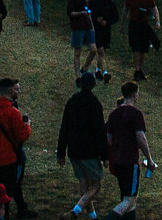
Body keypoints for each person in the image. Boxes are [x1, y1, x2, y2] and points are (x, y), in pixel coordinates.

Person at [0, 77, 36, 219]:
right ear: (10, 91)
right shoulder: (12, 112)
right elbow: (22, 135)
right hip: (7, 161)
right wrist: (27, 126)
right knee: (5, 195)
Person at [56, 71, 109, 220]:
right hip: (89, 151)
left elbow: (64, 127)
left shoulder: (72, 101)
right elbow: (99, 131)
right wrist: (105, 156)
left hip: (73, 150)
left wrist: (61, 152)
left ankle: (92, 216)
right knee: (95, 186)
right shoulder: (94, 104)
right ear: (94, 85)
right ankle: (75, 211)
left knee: (83, 184)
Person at [104, 80, 152, 219]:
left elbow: (109, 139)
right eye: (137, 92)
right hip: (130, 161)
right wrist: (149, 159)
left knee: (129, 200)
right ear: (133, 94)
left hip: (117, 161)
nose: (138, 95)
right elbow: (141, 138)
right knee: (129, 199)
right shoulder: (136, 114)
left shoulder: (113, 115)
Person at [123, 0, 160, 81]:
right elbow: (125, 10)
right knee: (135, 48)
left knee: (143, 49)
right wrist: (123, 24)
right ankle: (137, 69)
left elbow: (154, 9)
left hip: (143, 25)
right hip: (133, 25)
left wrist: (157, 21)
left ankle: (140, 69)